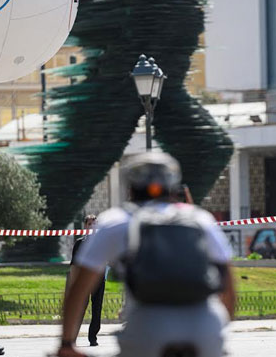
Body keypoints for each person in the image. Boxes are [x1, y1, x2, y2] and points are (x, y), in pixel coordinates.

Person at [57, 152, 237, 357]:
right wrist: (217, 336)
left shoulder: (115, 221)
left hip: (147, 328)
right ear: (173, 185)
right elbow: (229, 289)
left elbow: (79, 288)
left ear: (130, 187)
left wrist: (66, 343)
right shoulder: (199, 218)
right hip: (206, 328)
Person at [66, 214, 105, 347]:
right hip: (82, 280)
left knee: (97, 308)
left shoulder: (102, 242)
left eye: (95, 224)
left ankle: (93, 338)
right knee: (79, 308)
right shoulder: (80, 243)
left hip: (99, 279)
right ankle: (72, 338)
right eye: (90, 224)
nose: (92, 227)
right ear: (85, 226)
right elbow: (74, 264)